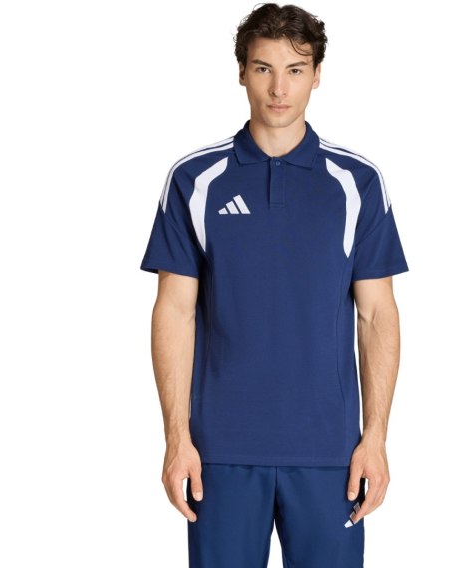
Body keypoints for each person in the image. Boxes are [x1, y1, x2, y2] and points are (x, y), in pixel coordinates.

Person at [139, 3, 409, 566]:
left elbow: (377, 315)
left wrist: (376, 438)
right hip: (219, 453)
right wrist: (176, 439)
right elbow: (174, 313)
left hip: (331, 453)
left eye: (295, 69)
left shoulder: (357, 183)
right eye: (263, 68)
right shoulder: (195, 180)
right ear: (241, 72)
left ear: (317, 76)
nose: (279, 88)